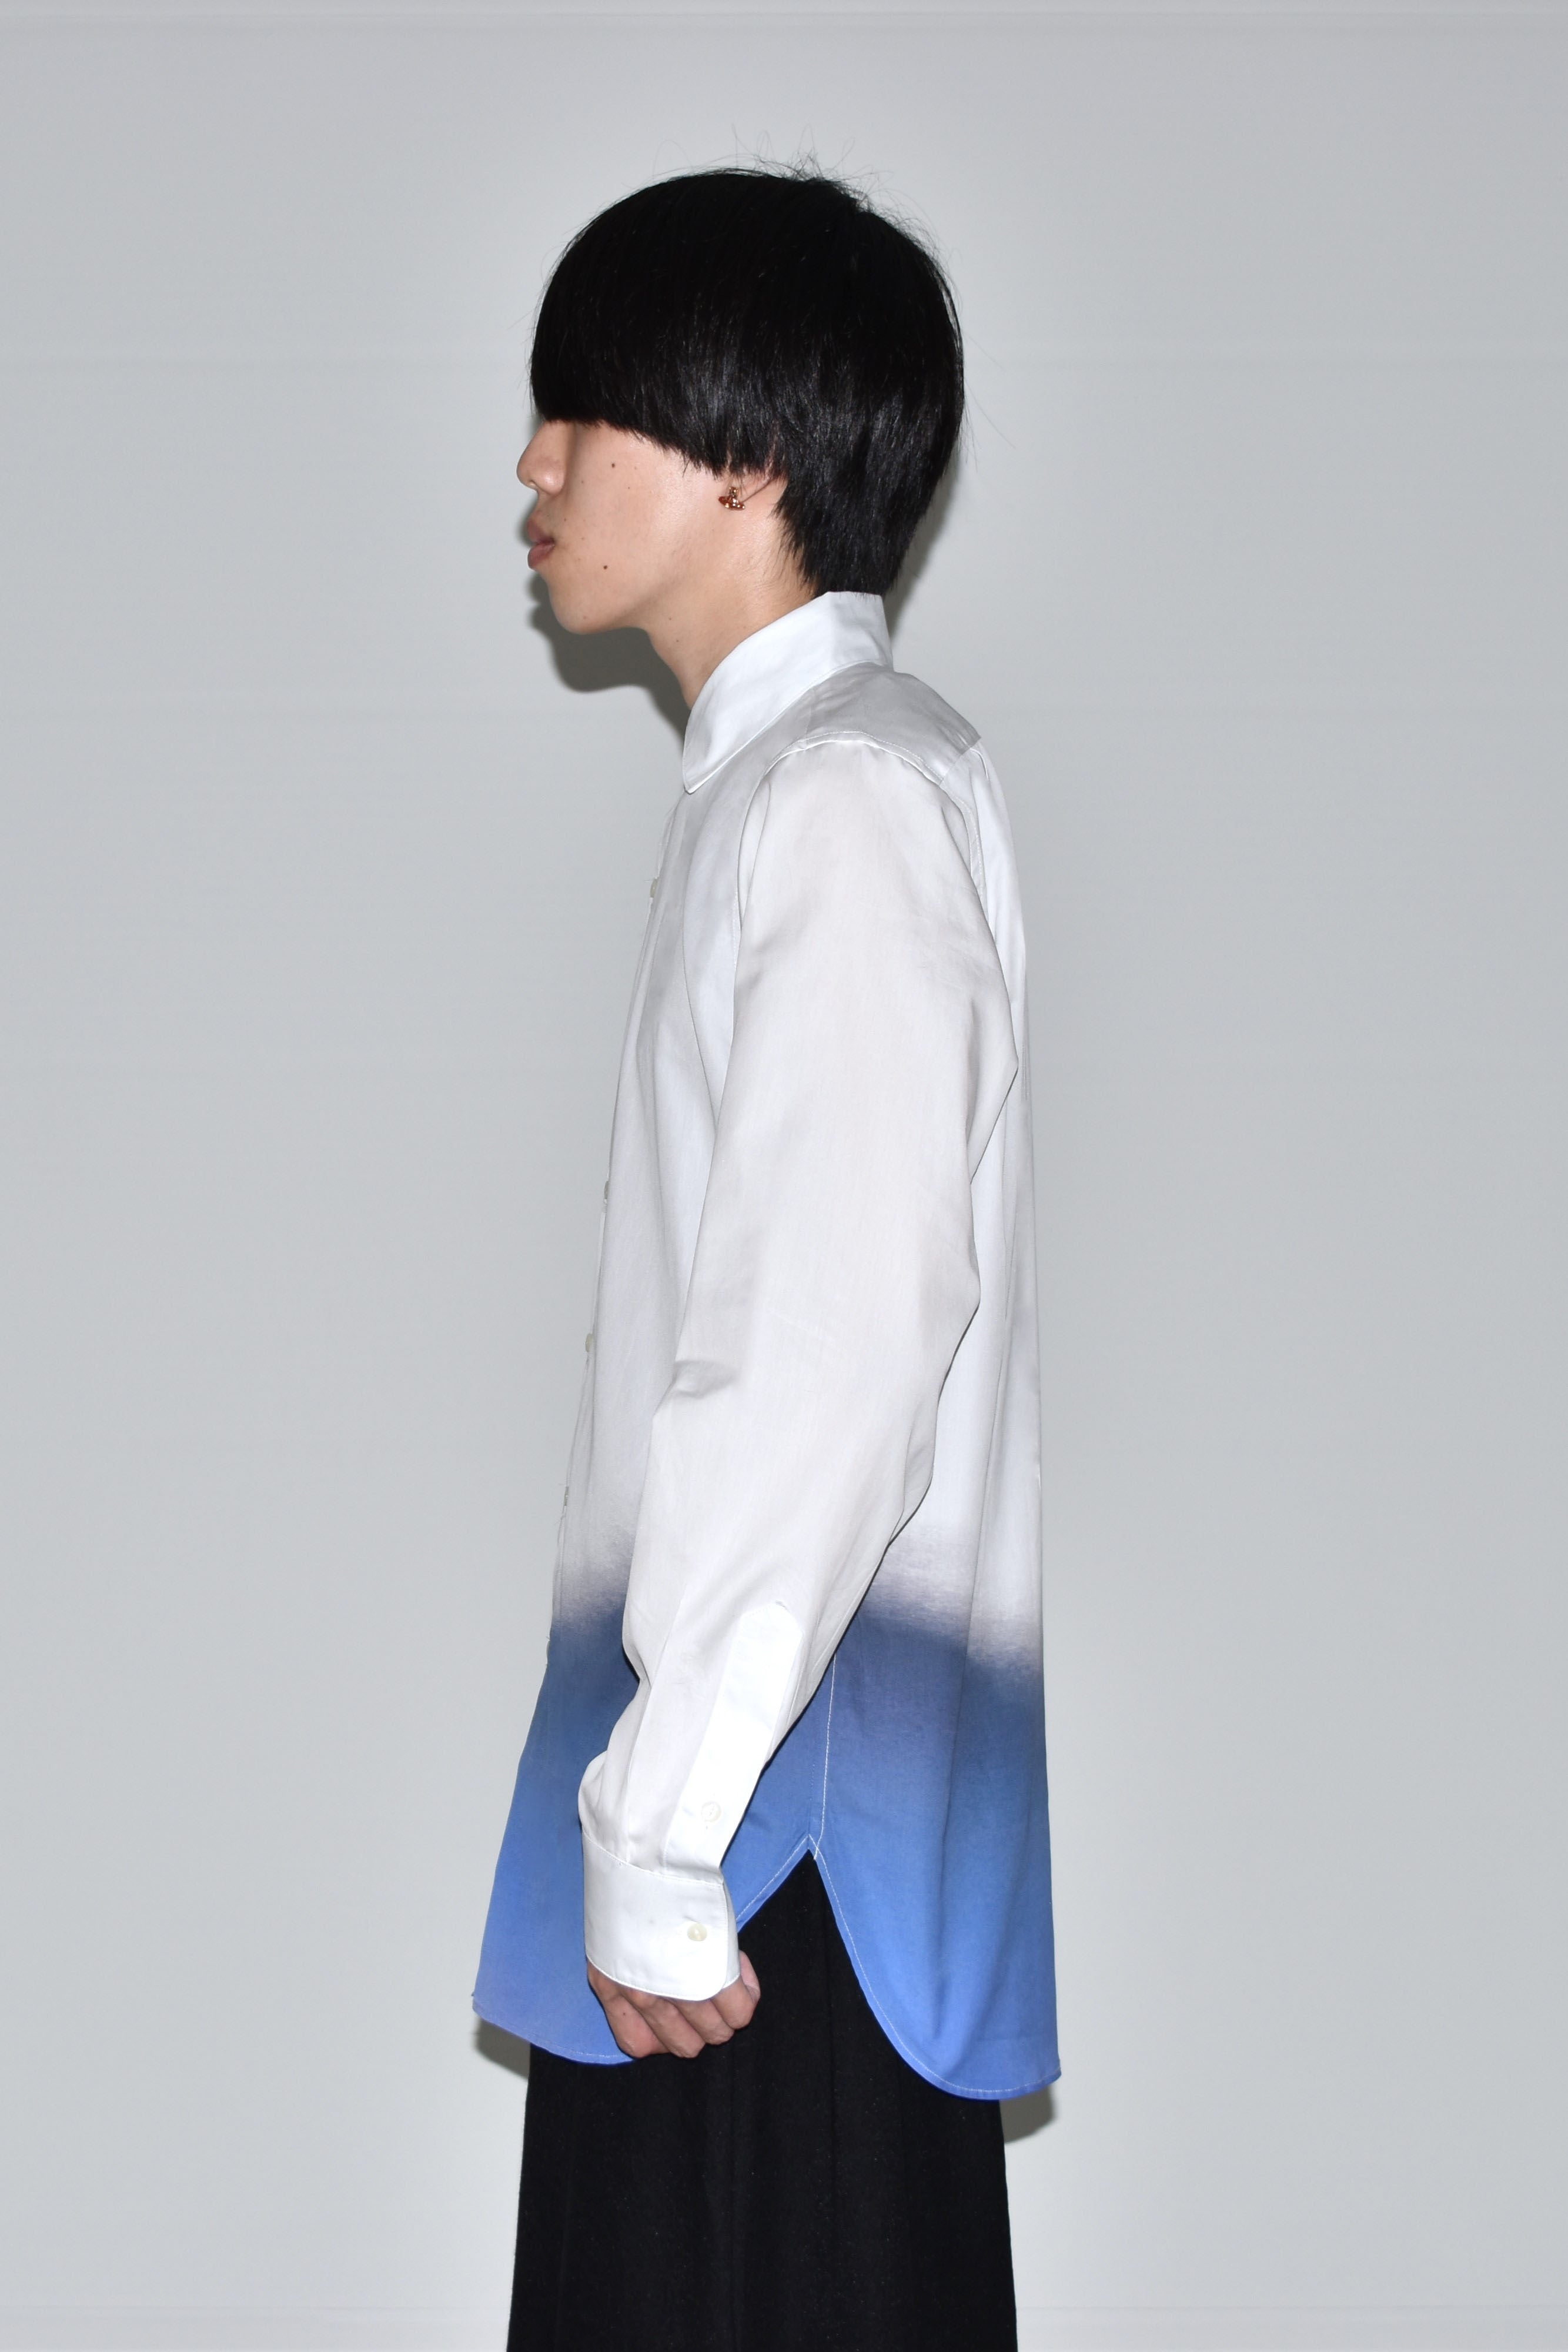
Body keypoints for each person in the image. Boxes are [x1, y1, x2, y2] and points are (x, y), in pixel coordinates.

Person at [474, 165, 1058, 2352]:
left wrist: (659, 1828)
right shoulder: (789, 789)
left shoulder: (844, 796)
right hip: (749, 1839)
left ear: (750, 457)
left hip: (771, 1868)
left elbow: (834, 1344)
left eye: (584, 409)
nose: (534, 465)